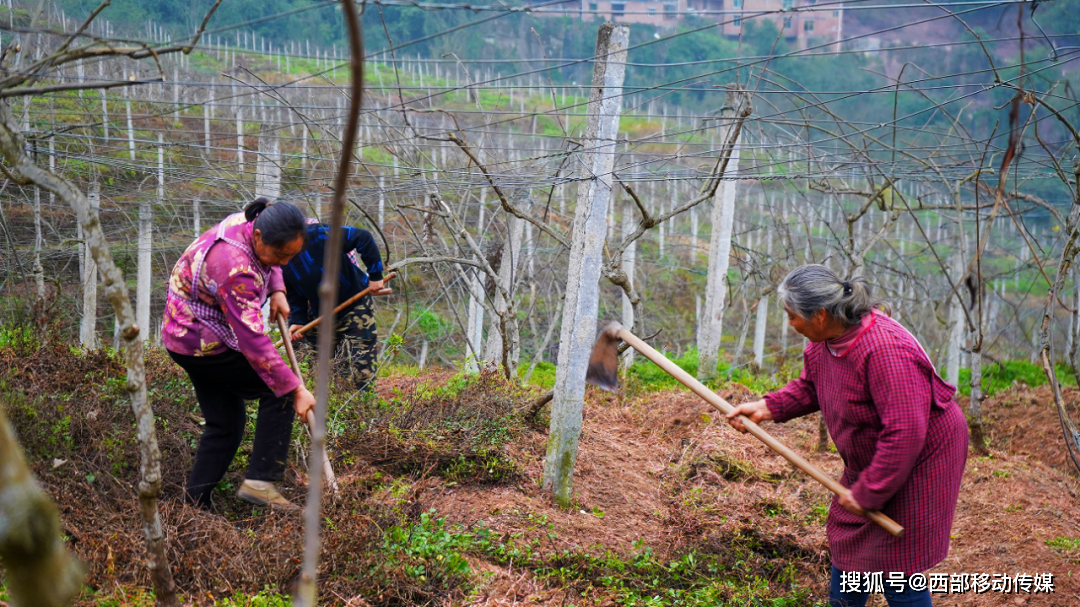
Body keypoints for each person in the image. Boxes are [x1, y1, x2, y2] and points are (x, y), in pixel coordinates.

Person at [725, 264, 967, 607]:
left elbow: (904, 432)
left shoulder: (886, 350)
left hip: (922, 455)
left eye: (792, 316)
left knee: (898, 565)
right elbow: (812, 386)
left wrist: (871, 490)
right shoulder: (824, 342)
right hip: (874, 449)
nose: (789, 324)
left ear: (821, 314)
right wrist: (767, 407)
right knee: (850, 542)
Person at [162, 198, 314, 511]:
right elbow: (253, 341)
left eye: (291, 256)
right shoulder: (235, 268)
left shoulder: (249, 222)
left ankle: (194, 506)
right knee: (279, 391)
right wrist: (295, 388)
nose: (284, 263)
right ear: (258, 236)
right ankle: (261, 482)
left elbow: (269, 262)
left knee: (225, 424)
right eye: (281, 255)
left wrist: (278, 289)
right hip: (200, 342)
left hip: (182, 335)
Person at [284, 220, 387, 392]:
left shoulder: (318, 234)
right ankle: (337, 406)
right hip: (320, 314)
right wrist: (298, 319)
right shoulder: (279, 260)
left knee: (363, 364)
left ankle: (367, 408)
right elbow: (294, 293)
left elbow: (364, 237)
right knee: (325, 368)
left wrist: (375, 275)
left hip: (354, 303)